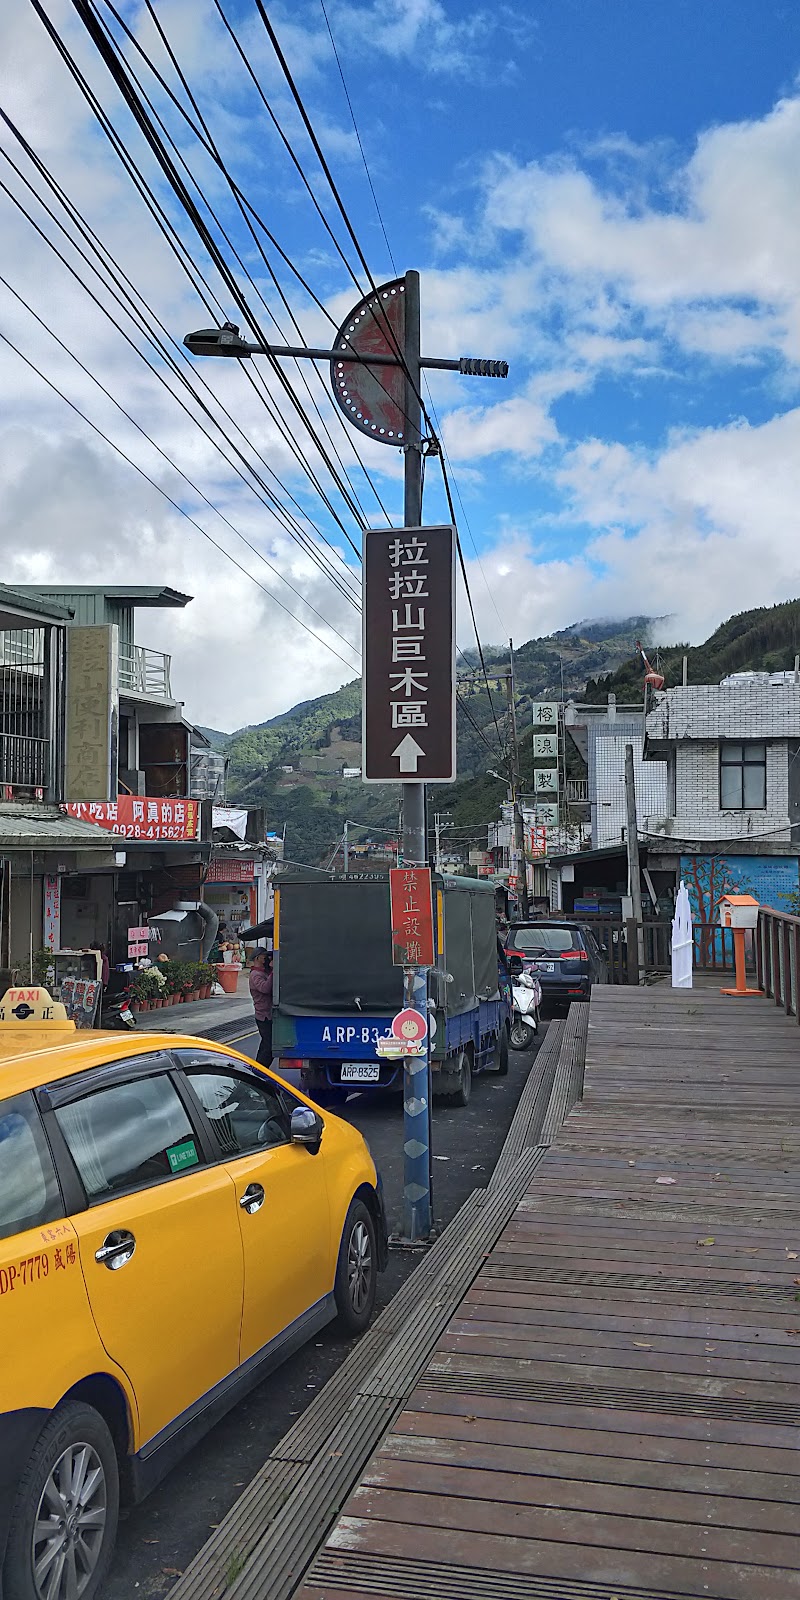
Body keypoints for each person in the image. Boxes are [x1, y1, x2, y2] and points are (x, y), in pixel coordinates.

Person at [249, 948, 273, 1066]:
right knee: (268, 1046)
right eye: (264, 956)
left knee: (266, 1044)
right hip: (263, 1015)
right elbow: (265, 988)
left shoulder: (263, 972)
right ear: (257, 958)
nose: (266, 959)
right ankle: (260, 1069)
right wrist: (274, 972)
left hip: (267, 1014)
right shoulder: (255, 975)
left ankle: (259, 1068)